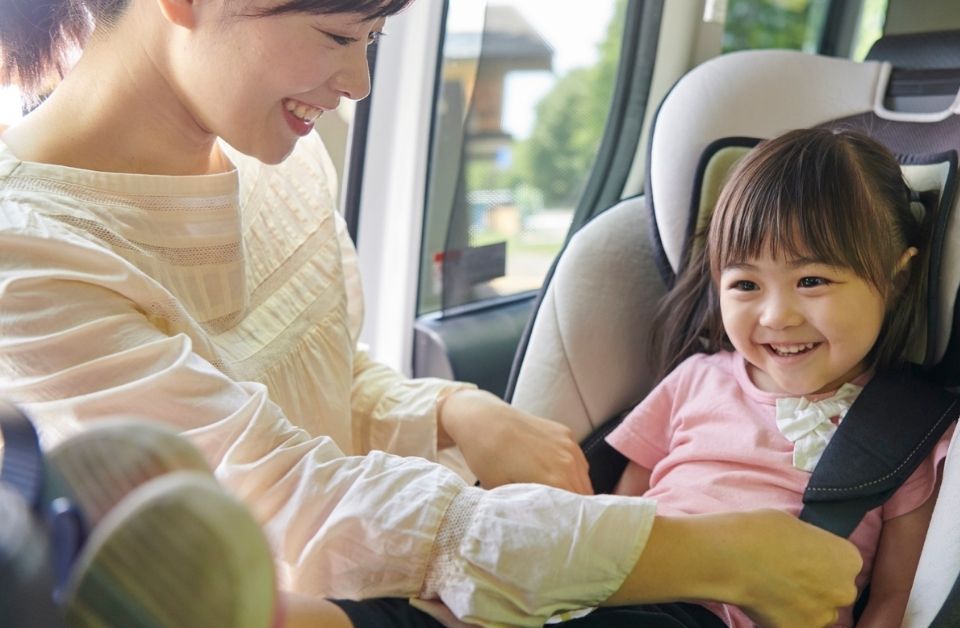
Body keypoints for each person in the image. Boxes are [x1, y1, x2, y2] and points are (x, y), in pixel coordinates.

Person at [0, 0, 863, 625]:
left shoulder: (284, 166)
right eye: (338, 34)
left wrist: (452, 406)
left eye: (374, 38)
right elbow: (284, 496)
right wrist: (723, 554)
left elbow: (327, 376)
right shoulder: (29, 256)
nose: (360, 80)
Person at [601, 128, 954, 628]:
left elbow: (896, 598)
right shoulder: (696, 379)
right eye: (745, 284)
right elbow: (617, 518)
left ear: (897, 279)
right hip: (637, 597)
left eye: (812, 281)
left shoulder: (910, 432)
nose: (776, 316)